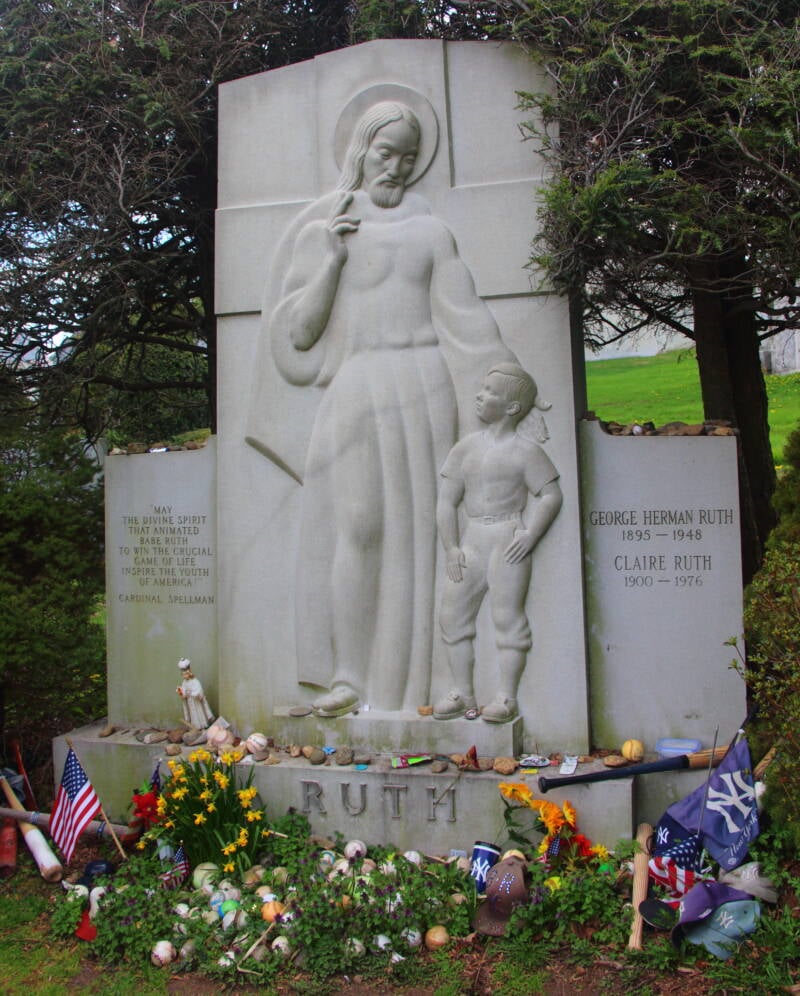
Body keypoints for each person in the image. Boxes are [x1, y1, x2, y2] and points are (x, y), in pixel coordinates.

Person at [266, 100, 516, 716]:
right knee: (359, 525)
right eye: (387, 154)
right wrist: (330, 262)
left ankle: (434, 686)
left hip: (424, 385)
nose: (398, 168)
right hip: (356, 387)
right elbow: (299, 333)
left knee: (425, 532)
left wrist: (514, 386)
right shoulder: (323, 232)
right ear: (360, 150)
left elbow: (468, 319)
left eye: (409, 157)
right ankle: (350, 676)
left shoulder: (432, 233)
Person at [435, 364, 562, 723]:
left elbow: (551, 495)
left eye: (490, 391)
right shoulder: (465, 448)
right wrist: (451, 548)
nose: (479, 395)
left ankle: (506, 696)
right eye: (482, 387)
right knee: (452, 616)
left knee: (507, 617)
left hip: (508, 537)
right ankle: (463, 692)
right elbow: (446, 501)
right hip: (472, 538)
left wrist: (530, 533)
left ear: (511, 407)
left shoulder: (526, 451)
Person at [176, 658, 214, 729]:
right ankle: (194, 727)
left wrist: (191, 693)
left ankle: (201, 726)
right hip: (190, 701)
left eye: (185, 673)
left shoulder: (195, 681)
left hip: (196, 701)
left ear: (189, 672)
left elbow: (199, 691)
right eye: (183, 674)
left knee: (198, 713)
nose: (184, 676)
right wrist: (181, 692)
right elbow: (184, 691)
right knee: (192, 714)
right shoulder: (184, 682)